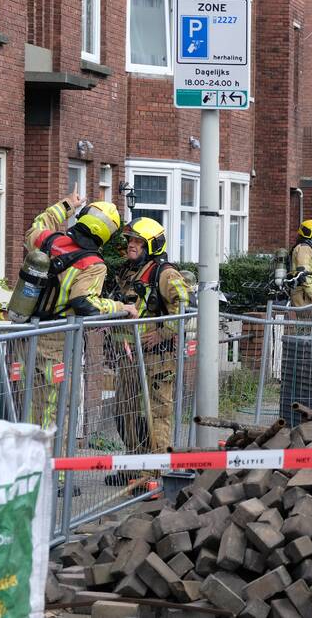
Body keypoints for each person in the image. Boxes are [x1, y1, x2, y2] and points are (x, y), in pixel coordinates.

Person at [23, 184, 136, 431]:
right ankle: (56, 469)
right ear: (106, 235)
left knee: (27, 408)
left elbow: (37, 225)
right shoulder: (93, 264)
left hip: (25, 333)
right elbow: (84, 302)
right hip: (57, 339)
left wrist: (66, 205)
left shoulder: (48, 240)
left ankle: (29, 465)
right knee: (56, 412)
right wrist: (120, 306)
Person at [110, 217, 191, 460]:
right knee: (125, 412)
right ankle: (134, 464)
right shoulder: (127, 270)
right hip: (128, 357)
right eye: (130, 240)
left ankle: (155, 470)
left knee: (156, 413)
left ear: (151, 245)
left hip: (157, 359)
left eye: (138, 241)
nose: (131, 245)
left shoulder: (165, 274)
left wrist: (163, 332)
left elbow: (185, 305)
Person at [289, 220, 312, 308]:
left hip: (305, 292)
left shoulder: (308, 248)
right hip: (303, 294)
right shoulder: (304, 248)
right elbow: (304, 274)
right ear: (308, 232)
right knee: (306, 320)